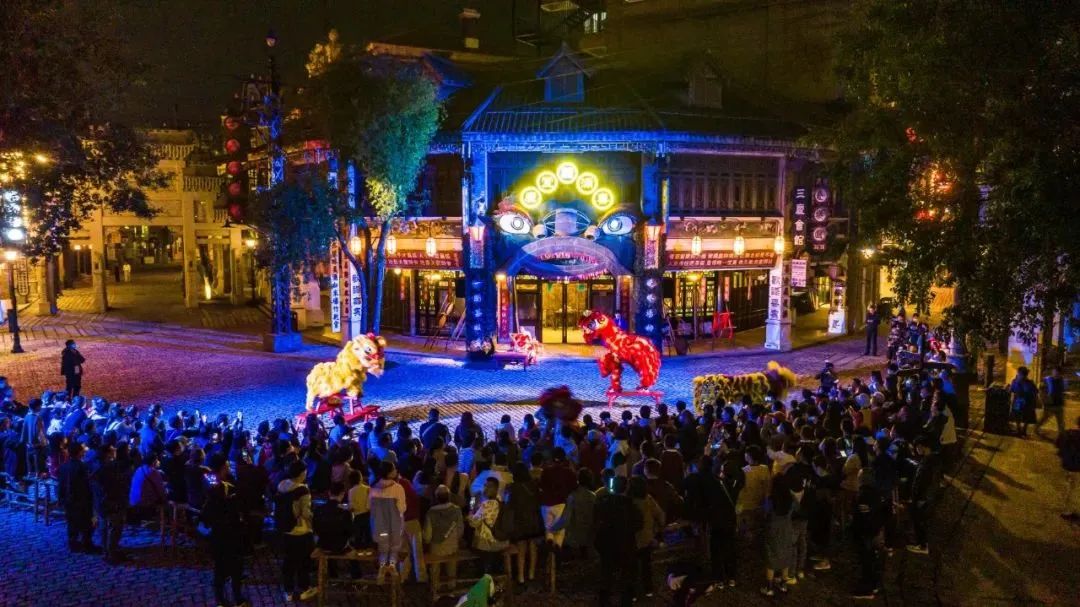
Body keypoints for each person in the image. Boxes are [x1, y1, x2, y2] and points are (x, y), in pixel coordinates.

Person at [201, 453, 248, 607]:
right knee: (235, 566)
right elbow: (237, 506)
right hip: (230, 531)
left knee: (220, 568)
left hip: (216, 532)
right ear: (222, 467)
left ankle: (220, 600)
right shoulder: (227, 488)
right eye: (227, 465)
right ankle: (237, 598)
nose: (229, 468)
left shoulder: (208, 479)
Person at [593, 476, 639, 607]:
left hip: (606, 542)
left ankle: (604, 599)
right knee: (627, 573)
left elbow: (597, 520)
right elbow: (638, 523)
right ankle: (626, 600)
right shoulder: (630, 505)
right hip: (625, 543)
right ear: (626, 488)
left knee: (606, 572)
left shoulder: (604, 503)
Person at [276, 460, 317, 602]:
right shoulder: (302, 490)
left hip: (285, 528)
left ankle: (288, 590)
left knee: (288, 561)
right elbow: (306, 513)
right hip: (300, 529)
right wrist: (315, 518)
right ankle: (304, 588)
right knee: (303, 561)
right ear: (301, 473)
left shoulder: (282, 485)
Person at [506, 462, 544, 584]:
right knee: (533, 547)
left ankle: (521, 576)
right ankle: (531, 573)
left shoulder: (513, 488)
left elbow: (510, 506)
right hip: (534, 520)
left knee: (521, 549)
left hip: (520, 521)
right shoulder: (534, 485)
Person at [57, 442, 100, 554]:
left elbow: (61, 484)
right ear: (79, 452)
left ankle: (73, 543)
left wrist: (60, 498)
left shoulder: (63, 466)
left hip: (68, 499)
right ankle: (87, 545)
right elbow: (86, 485)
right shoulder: (82, 467)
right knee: (86, 523)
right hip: (81, 499)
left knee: (71, 523)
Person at [369, 460, 407, 583]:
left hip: (379, 524)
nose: (396, 471)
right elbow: (402, 508)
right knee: (394, 546)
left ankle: (381, 569)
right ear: (389, 473)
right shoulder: (398, 488)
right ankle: (392, 567)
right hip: (394, 523)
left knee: (383, 546)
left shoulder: (373, 488)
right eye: (394, 469)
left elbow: (369, 507)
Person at [851, 468, 884, 600]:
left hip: (866, 533)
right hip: (874, 530)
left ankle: (866, 589)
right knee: (872, 559)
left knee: (866, 560)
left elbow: (863, 516)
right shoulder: (876, 492)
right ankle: (874, 583)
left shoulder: (863, 495)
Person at [629, 476, 663, 601]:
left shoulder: (628, 501)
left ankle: (633, 593)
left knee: (632, 567)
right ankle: (648, 589)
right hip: (646, 538)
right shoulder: (648, 500)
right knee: (646, 566)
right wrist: (659, 529)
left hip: (631, 539)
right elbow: (659, 514)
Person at [424, 484, 464, 589]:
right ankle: (451, 586)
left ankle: (435, 587)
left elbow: (428, 533)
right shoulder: (456, 510)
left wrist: (427, 541)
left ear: (437, 497)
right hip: (452, 544)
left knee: (435, 568)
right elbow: (460, 528)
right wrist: (457, 539)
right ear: (449, 496)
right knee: (452, 566)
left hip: (436, 545)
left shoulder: (431, 512)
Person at [906, 437, 939, 556]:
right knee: (920, 520)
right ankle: (921, 542)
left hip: (921, 497)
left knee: (919, 521)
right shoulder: (931, 459)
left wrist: (918, 498)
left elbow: (922, 482)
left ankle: (922, 545)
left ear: (922, 446)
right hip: (925, 497)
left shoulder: (927, 463)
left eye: (917, 448)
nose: (916, 450)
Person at [468, 476, 508, 574]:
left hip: (488, 544)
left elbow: (473, 523)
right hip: (502, 541)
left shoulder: (487, 504)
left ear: (495, 489)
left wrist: (471, 509)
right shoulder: (501, 502)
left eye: (489, 486)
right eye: (485, 486)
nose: (485, 488)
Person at [1036, 366, 1067, 438]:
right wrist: (1043, 401)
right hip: (1049, 404)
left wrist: (1063, 400)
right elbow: (1041, 391)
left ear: (1060, 373)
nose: (1055, 373)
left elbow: (1062, 391)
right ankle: (1036, 428)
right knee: (1044, 418)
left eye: (1057, 372)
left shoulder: (1062, 380)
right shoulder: (1047, 380)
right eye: (1054, 372)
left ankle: (1062, 434)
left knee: (1061, 421)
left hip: (1059, 404)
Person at [1009, 366, 1039, 437]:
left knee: (1026, 416)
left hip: (1026, 402)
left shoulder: (1029, 383)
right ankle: (1019, 429)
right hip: (1019, 402)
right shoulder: (1016, 381)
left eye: (1019, 374)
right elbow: (1012, 390)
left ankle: (1023, 430)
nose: (1018, 375)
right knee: (1017, 416)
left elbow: (1035, 391)